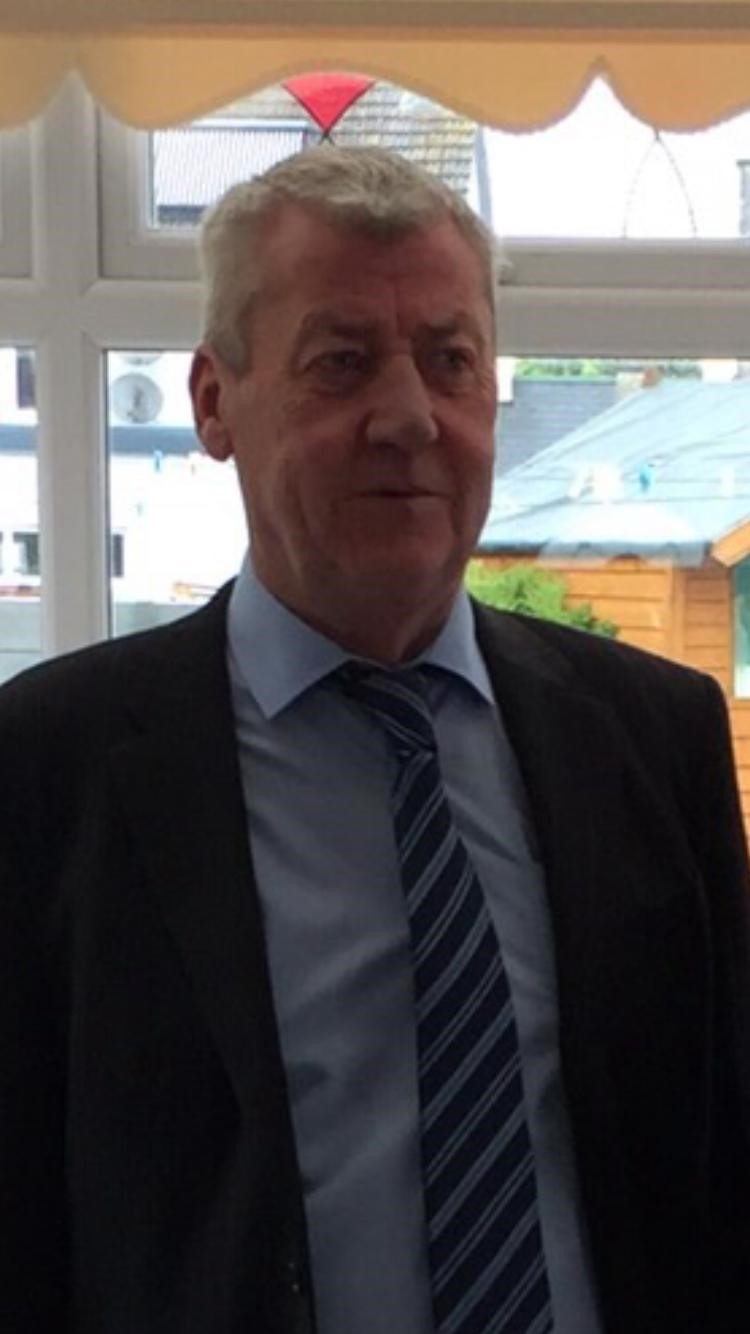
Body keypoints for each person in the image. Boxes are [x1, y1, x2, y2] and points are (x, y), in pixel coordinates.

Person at [1, 145, 749, 1334]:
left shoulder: (654, 738)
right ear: (213, 402)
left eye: (451, 361)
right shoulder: (48, 767)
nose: (408, 418)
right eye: (341, 362)